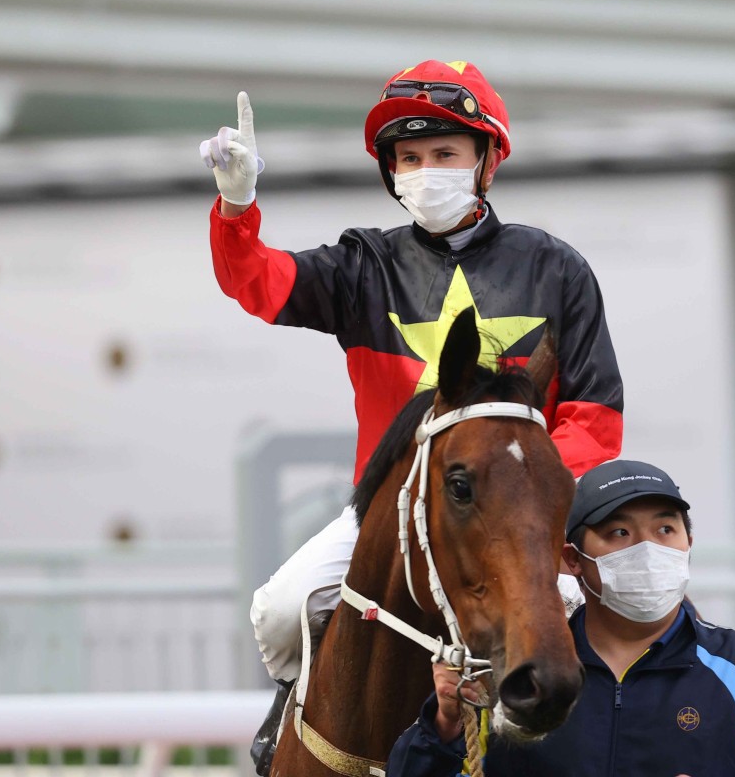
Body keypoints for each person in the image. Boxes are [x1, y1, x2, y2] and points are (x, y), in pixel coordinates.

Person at [198, 60, 624, 774]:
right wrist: (238, 212)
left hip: (517, 519)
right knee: (280, 609)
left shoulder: (558, 269)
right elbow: (261, 285)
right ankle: (290, 733)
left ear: (488, 161)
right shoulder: (363, 263)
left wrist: (528, 505)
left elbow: (594, 418)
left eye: (445, 154)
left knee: (585, 629)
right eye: (410, 158)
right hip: (389, 512)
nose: (426, 170)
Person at [386, 459, 735, 777]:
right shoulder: (516, 675)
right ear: (572, 560)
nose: (648, 549)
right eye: (618, 532)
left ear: (688, 545)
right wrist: (444, 727)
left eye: (665, 528)